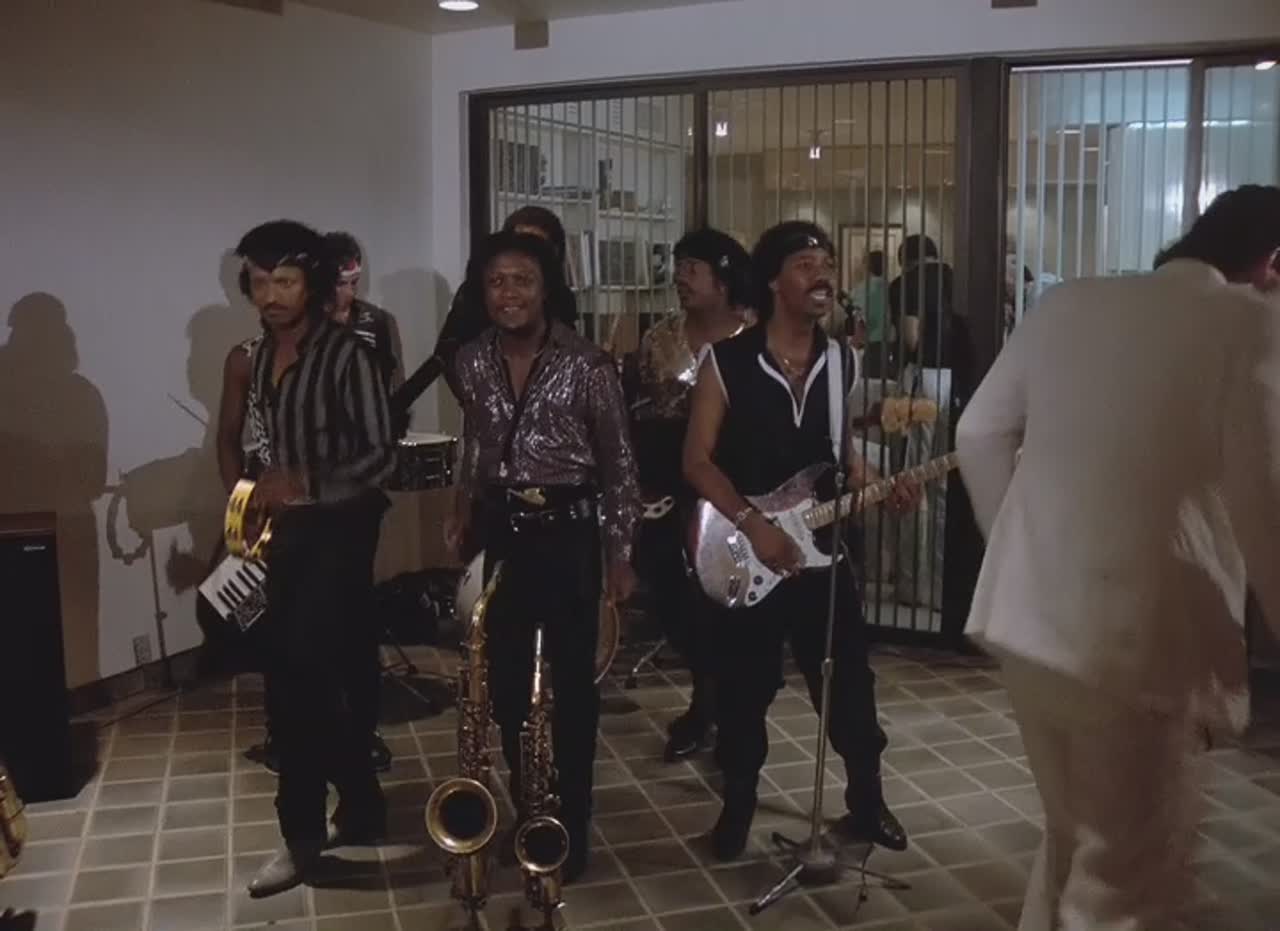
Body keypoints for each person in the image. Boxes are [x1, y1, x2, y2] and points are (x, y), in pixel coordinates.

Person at [955, 185, 1280, 931]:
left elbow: (977, 433)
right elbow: (1263, 503)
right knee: (1121, 886)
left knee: (1071, 838)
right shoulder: (1246, 322)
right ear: (1272, 263)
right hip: (1134, 645)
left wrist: (1027, 548)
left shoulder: (1070, 303)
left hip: (1026, 626)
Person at [682, 220, 918, 861]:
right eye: (806, 265)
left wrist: (880, 485)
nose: (823, 276)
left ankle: (867, 802)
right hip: (749, 548)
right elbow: (697, 462)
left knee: (849, 685)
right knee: (743, 690)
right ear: (773, 281)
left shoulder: (843, 361)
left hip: (822, 555)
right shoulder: (726, 362)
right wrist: (753, 524)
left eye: (827, 264)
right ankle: (737, 806)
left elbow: (841, 458)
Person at [448, 230, 640, 882]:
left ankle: (572, 824)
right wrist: (462, 508)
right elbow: (474, 443)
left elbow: (619, 466)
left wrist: (619, 554)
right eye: (496, 281)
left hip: (569, 537)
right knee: (503, 686)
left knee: (574, 693)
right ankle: (532, 809)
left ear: (546, 289)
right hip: (503, 533)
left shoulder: (589, 364)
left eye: (522, 280)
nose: (509, 294)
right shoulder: (471, 360)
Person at [231, 220, 396, 898]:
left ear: (313, 283)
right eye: (259, 282)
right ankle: (360, 801)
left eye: (285, 281)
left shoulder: (347, 355)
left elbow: (382, 455)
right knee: (324, 677)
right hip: (289, 534)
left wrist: (305, 481)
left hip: (341, 529)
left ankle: (300, 836)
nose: (270, 295)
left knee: (297, 682)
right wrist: (254, 499)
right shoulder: (257, 357)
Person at [622, 227, 754, 761]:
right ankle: (706, 697)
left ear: (723, 279)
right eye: (678, 267)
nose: (680, 277)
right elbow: (638, 410)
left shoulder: (754, 337)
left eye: (692, 268)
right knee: (675, 599)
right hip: (666, 489)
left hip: (732, 487)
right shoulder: (659, 339)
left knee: (726, 604)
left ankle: (722, 710)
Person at [324, 230, 402, 774]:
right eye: (339, 283)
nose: (348, 293)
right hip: (309, 487)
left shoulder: (378, 323)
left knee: (353, 604)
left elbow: (396, 391)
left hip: (361, 483)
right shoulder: (303, 328)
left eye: (354, 281)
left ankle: (362, 726)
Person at [888, 234, 959, 609]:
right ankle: (942, 587)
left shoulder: (904, 284)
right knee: (944, 481)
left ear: (905, 260)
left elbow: (912, 338)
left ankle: (912, 585)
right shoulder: (957, 277)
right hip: (956, 383)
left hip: (923, 381)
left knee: (913, 480)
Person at [442, 206, 577, 402]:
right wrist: (481, 399)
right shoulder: (477, 292)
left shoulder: (562, 297)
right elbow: (447, 355)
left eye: (535, 247)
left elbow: (569, 354)